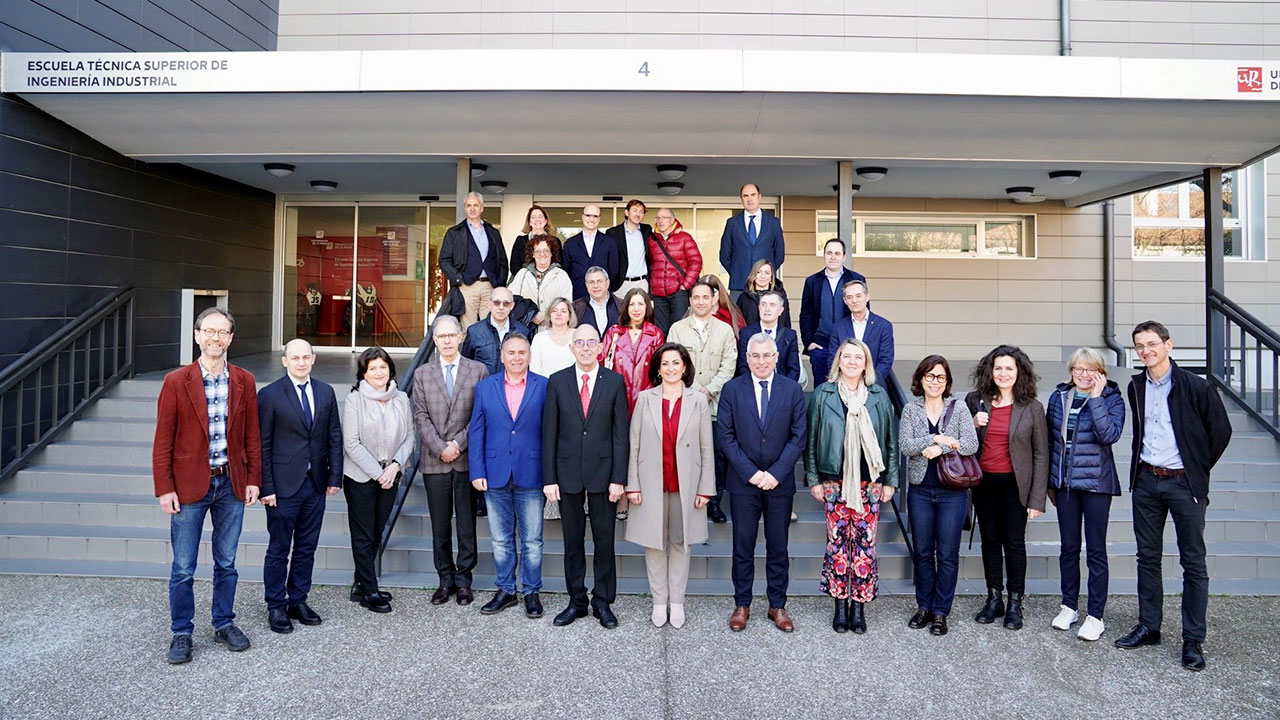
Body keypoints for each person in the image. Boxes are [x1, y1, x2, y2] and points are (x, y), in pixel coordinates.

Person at [1115, 321, 1231, 672]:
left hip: (1184, 485)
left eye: (1152, 343)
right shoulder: (1136, 385)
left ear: (1168, 345)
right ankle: (1150, 626)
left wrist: (1196, 469)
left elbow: (1221, 432)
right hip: (1147, 481)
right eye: (1139, 346)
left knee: (1192, 562)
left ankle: (1192, 639)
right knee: (1147, 557)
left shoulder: (1196, 386)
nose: (1145, 351)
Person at [153, 307, 261, 664]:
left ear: (231, 338)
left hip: (231, 484)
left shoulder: (244, 380)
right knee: (183, 567)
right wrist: (164, 487)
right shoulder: (175, 381)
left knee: (227, 562)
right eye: (209, 331)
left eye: (223, 332)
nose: (216, 338)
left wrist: (253, 480)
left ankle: (223, 622)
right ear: (197, 335)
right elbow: (163, 441)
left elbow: (252, 437)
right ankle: (181, 632)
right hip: (188, 487)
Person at [804, 338, 899, 634]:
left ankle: (859, 606)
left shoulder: (879, 395)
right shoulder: (823, 394)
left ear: (866, 363)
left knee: (864, 546)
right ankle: (840, 607)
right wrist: (813, 479)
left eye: (858, 357)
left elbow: (890, 442)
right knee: (837, 545)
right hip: (834, 479)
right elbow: (811, 440)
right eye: (847, 356)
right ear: (839, 362)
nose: (852, 362)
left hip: (870, 481)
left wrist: (891, 481)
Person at [717, 333, 807, 633]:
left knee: (778, 546)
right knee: (742, 545)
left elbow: (798, 437)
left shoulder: (792, 390)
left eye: (766, 355)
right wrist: (752, 473)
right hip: (744, 482)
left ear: (777, 357)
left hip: (779, 483)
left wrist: (776, 473)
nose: (761, 361)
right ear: (747, 357)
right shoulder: (732, 389)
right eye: (755, 355)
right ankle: (742, 603)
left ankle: (777, 605)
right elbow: (725, 436)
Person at [542, 325, 630, 629]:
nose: (585, 347)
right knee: (573, 543)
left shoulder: (615, 382)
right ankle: (576, 601)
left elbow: (621, 436)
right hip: (566, 475)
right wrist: (549, 478)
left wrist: (619, 477)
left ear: (600, 347)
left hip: (605, 476)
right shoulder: (557, 382)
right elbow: (549, 433)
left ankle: (603, 602)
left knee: (605, 542)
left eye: (591, 342)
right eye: (579, 342)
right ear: (572, 348)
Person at [625, 343, 715, 629]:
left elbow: (706, 447)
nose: (671, 368)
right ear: (658, 369)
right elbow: (634, 444)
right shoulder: (645, 399)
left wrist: (705, 488)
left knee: (680, 543)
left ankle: (677, 602)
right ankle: (658, 602)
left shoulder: (697, 401)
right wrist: (633, 485)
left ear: (685, 367)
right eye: (665, 364)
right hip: (651, 482)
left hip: (685, 484)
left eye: (676, 363)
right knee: (654, 544)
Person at [257, 338, 343, 635]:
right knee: (279, 548)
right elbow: (262, 444)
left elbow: (334, 436)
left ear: (314, 358)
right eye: (295, 358)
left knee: (307, 547)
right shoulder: (269, 395)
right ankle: (276, 605)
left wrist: (334, 477)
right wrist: (265, 486)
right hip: (282, 487)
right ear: (285, 361)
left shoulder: (325, 392)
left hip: (315, 483)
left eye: (306, 357)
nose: (301, 362)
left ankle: (298, 600)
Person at [965, 344, 1048, 631]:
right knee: (989, 541)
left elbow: (1041, 454)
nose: (1002, 373)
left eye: (1009, 368)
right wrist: (973, 424)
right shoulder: (975, 400)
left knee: (1014, 543)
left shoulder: (1032, 407)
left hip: (1016, 485)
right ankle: (993, 598)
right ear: (990, 371)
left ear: (1019, 372)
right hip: (983, 482)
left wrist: (1037, 498)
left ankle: (1015, 602)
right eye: (998, 368)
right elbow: (960, 441)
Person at [1045, 347, 1125, 642]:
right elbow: (1050, 441)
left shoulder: (1112, 400)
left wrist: (1096, 399)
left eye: (1090, 369)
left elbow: (1109, 435)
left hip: (1095, 485)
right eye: (1078, 369)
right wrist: (1049, 482)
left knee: (1095, 550)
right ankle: (1069, 606)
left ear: (1101, 372)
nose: (1083, 374)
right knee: (1068, 547)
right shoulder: (1058, 398)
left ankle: (1095, 615)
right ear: (1071, 371)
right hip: (1065, 484)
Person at [469, 333, 549, 619]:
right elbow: (477, 430)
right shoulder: (486, 387)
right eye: (511, 352)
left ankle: (531, 592)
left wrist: (550, 474)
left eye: (522, 352)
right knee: (501, 539)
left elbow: (550, 433)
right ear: (501, 356)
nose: (516, 357)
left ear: (529, 355)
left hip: (532, 471)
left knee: (532, 540)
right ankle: (505, 590)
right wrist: (477, 469)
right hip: (494, 473)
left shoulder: (544, 386)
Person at [898, 355, 979, 637]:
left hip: (952, 492)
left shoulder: (958, 409)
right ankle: (924, 606)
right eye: (930, 376)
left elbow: (970, 444)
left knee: (946, 554)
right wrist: (935, 439)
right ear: (921, 379)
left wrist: (942, 450)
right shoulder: (911, 410)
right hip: (920, 489)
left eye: (940, 377)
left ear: (947, 382)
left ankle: (941, 611)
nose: (935, 381)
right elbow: (906, 446)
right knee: (922, 552)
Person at [413, 315, 485, 607]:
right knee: (440, 524)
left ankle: (465, 579)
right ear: (434, 340)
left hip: (466, 459)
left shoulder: (478, 371)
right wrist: (440, 446)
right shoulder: (421, 374)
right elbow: (420, 415)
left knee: (466, 524)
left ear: (461, 337)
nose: (445, 341)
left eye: (450, 335)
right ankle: (445, 579)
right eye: (440, 336)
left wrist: (457, 444)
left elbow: (479, 414)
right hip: (435, 460)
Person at [341, 346, 413, 614]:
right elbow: (351, 443)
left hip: (391, 476)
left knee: (376, 532)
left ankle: (362, 582)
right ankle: (369, 590)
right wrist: (379, 472)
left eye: (383, 367)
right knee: (363, 534)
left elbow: (410, 437)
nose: (379, 372)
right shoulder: (354, 399)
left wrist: (394, 467)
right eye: (373, 368)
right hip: (361, 476)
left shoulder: (401, 398)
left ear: (390, 369)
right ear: (364, 372)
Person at [666, 280, 738, 524]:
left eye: (705, 297)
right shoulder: (677, 329)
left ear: (713, 300)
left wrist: (709, 390)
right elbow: (673, 363)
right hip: (685, 404)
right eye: (695, 297)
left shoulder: (725, 330)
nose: (700, 302)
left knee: (716, 456)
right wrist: (696, 391)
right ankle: (686, 502)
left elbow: (729, 365)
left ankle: (713, 503)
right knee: (684, 454)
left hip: (717, 406)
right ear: (690, 300)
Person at [438, 191, 508, 329]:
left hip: (490, 286)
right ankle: (468, 352)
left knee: (491, 328)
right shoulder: (455, 232)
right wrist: (458, 279)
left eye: (475, 205)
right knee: (468, 330)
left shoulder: (492, 232)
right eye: (469, 205)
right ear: (465, 208)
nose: (472, 208)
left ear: (482, 208)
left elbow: (502, 261)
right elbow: (444, 260)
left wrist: (499, 283)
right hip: (467, 287)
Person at [800, 238, 867, 382]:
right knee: (822, 390)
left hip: (849, 346)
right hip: (820, 346)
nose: (832, 257)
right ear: (824, 255)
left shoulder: (856, 279)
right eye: (829, 253)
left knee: (849, 387)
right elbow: (805, 315)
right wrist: (809, 342)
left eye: (837, 253)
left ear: (844, 256)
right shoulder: (812, 281)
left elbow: (863, 313)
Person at [598, 288, 665, 417]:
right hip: (617, 397)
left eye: (640, 304)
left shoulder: (656, 334)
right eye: (632, 304)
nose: (636, 309)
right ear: (626, 307)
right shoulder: (614, 333)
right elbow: (601, 364)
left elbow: (660, 371)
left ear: (647, 307)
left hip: (646, 398)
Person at [719, 183, 784, 301]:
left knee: (766, 318)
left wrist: (765, 275)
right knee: (738, 319)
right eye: (745, 196)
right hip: (739, 285)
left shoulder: (773, 223)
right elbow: (724, 255)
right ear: (741, 199)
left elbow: (779, 254)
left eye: (753, 195)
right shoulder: (732, 223)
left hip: (765, 287)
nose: (749, 199)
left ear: (759, 197)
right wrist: (737, 271)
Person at [647, 208, 702, 334]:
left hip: (678, 292)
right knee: (661, 331)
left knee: (680, 329)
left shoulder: (684, 238)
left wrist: (685, 285)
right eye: (658, 218)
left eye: (664, 218)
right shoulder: (652, 240)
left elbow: (696, 262)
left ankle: (679, 354)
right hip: (659, 293)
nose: (660, 221)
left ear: (672, 220)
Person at [830, 280, 894, 386]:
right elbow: (833, 360)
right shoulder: (838, 328)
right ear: (845, 300)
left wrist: (869, 382)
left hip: (874, 386)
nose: (854, 301)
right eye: (849, 297)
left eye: (858, 296)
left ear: (867, 297)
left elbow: (885, 361)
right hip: (844, 386)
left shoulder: (883, 326)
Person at [460, 286, 531, 377]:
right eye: (496, 303)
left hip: (514, 387)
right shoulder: (474, 331)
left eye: (506, 303)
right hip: (483, 386)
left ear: (512, 306)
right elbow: (465, 364)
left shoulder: (523, 331)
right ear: (489, 304)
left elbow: (527, 364)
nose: (501, 307)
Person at [509, 234, 573, 328]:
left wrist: (545, 315)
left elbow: (566, 303)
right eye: (538, 251)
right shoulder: (522, 274)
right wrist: (532, 315)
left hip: (552, 330)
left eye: (546, 250)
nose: (542, 254)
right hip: (525, 331)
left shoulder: (561, 275)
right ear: (533, 254)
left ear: (552, 253)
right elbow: (511, 299)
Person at [737, 290, 800, 381]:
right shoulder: (746, 333)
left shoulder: (789, 335)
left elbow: (794, 369)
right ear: (759, 308)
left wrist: (785, 390)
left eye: (772, 305)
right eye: (763, 304)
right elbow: (743, 367)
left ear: (781, 310)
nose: (767, 309)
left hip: (781, 387)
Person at [562, 204, 620, 300]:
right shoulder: (570, 243)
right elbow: (566, 270)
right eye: (588, 215)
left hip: (602, 296)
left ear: (599, 218)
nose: (591, 219)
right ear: (582, 217)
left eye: (595, 216)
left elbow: (613, 270)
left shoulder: (609, 242)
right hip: (577, 295)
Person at [605, 199, 652, 295]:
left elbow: (663, 230)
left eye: (641, 212)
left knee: (642, 310)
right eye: (634, 210)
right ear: (627, 212)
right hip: (621, 284)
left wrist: (677, 227)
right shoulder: (613, 233)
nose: (638, 214)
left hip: (642, 283)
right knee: (619, 310)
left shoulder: (647, 230)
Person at [736, 259, 792, 329]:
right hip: (750, 338)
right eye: (758, 272)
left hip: (776, 338)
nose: (763, 276)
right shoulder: (744, 297)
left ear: (771, 277)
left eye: (767, 273)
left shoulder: (780, 295)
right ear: (753, 275)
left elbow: (786, 321)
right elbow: (738, 323)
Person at [509, 204, 559, 283]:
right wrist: (530, 279)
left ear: (546, 221)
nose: (537, 220)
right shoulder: (520, 240)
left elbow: (558, 264)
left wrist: (543, 277)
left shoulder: (555, 241)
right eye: (533, 217)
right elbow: (514, 266)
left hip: (549, 282)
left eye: (540, 217)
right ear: (529, 222)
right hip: (524, 282)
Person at [530, 297, 578, 377]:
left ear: (569, 315)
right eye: (554, 311)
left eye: (563, 311)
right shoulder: (539, 339)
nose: (558, 314)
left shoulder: (579, 336)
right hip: (547, 387)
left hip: (574, 388)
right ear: (549, 315)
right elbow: (535, 371)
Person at [572, 266, 623, 338]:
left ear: (607, 283)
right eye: (591, 282)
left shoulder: (622, 305)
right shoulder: (576, 308)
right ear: (587, 285)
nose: (595, 286)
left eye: (599, 281)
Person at [703, 274, 745, 341]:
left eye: (713, 292)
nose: (710, 296)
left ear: (720, 292)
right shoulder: (691, 317)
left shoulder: (733, 315)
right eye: (705, 293)